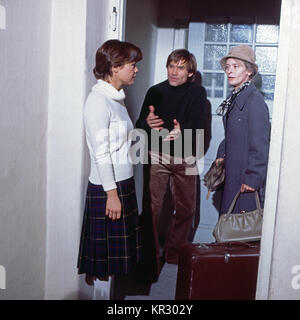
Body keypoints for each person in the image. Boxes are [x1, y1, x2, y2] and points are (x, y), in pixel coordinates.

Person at [77, 39, 143, 285]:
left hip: (122, 184)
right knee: (103, 265)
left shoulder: (116, 99)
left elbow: (122, 144)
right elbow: (101, 154)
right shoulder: (98, 102)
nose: (136, 69)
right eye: (132, 64)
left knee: (114, 264)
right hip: (108, 189)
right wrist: (112, 195)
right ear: (115, 67)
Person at [136, 49, 206, 276]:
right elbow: (140, 125)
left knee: (187, 209)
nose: (174, 72)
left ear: (190, 72)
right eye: (171, 66)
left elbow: (199, 124)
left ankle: (174, 254)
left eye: (181, 67)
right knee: (153, 209)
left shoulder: (197, 93)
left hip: (185, 153)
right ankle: (151, 261)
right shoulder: (155, 91)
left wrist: (182, 130)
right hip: (157, 152)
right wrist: (147, 122)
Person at [216, 44, 270, 214]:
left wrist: (253, 178)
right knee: (227, 226)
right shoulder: (235, 98)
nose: (229, 71)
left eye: (236, 66)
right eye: (227, 67)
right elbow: (231, 135)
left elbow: (261, 145)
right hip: (232, 173)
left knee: (240, 232)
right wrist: (221, 153)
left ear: (249, 72)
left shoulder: (254, 101)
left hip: (244, 178)